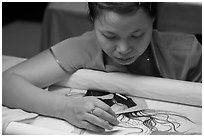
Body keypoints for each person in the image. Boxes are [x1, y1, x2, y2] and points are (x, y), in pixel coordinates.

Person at [2, 2, 202, 133]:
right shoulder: (84, 47)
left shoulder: (185, 52)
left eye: (136, 35)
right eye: (110, 36)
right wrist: (64, 107)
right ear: (92, 21)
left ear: (153, 21)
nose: (123, 49)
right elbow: (7, 83)